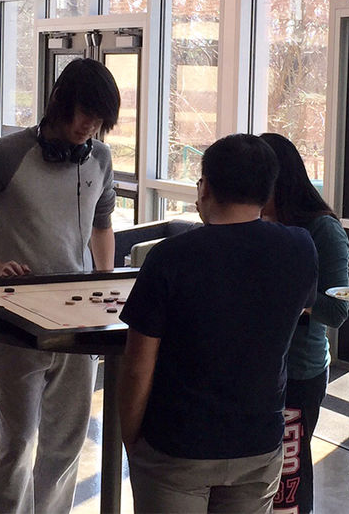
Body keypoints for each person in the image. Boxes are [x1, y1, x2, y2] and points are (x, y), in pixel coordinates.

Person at [0, 58, 120, 514]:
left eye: (99, 121)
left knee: (67, 440)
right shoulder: (5, 153)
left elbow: (102, 225)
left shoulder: (100, 158)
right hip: (17, 319)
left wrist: (105, 282)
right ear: (60, 103)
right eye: (84, 115)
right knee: (19, 439)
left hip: (80, 318)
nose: (89, 128)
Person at [118, 134, 318, 514]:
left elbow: (137, 365)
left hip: (178, 445)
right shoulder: (300, 248)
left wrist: (132, 439)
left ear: (206, 185)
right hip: (258, 442)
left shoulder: (170, 258)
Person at [260, 133, 349, 514]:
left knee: (290, 476)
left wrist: (293, 298)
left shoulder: (323, 231)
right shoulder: (257, 223)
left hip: (300, 371)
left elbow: (337, 311)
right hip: (261, 368)